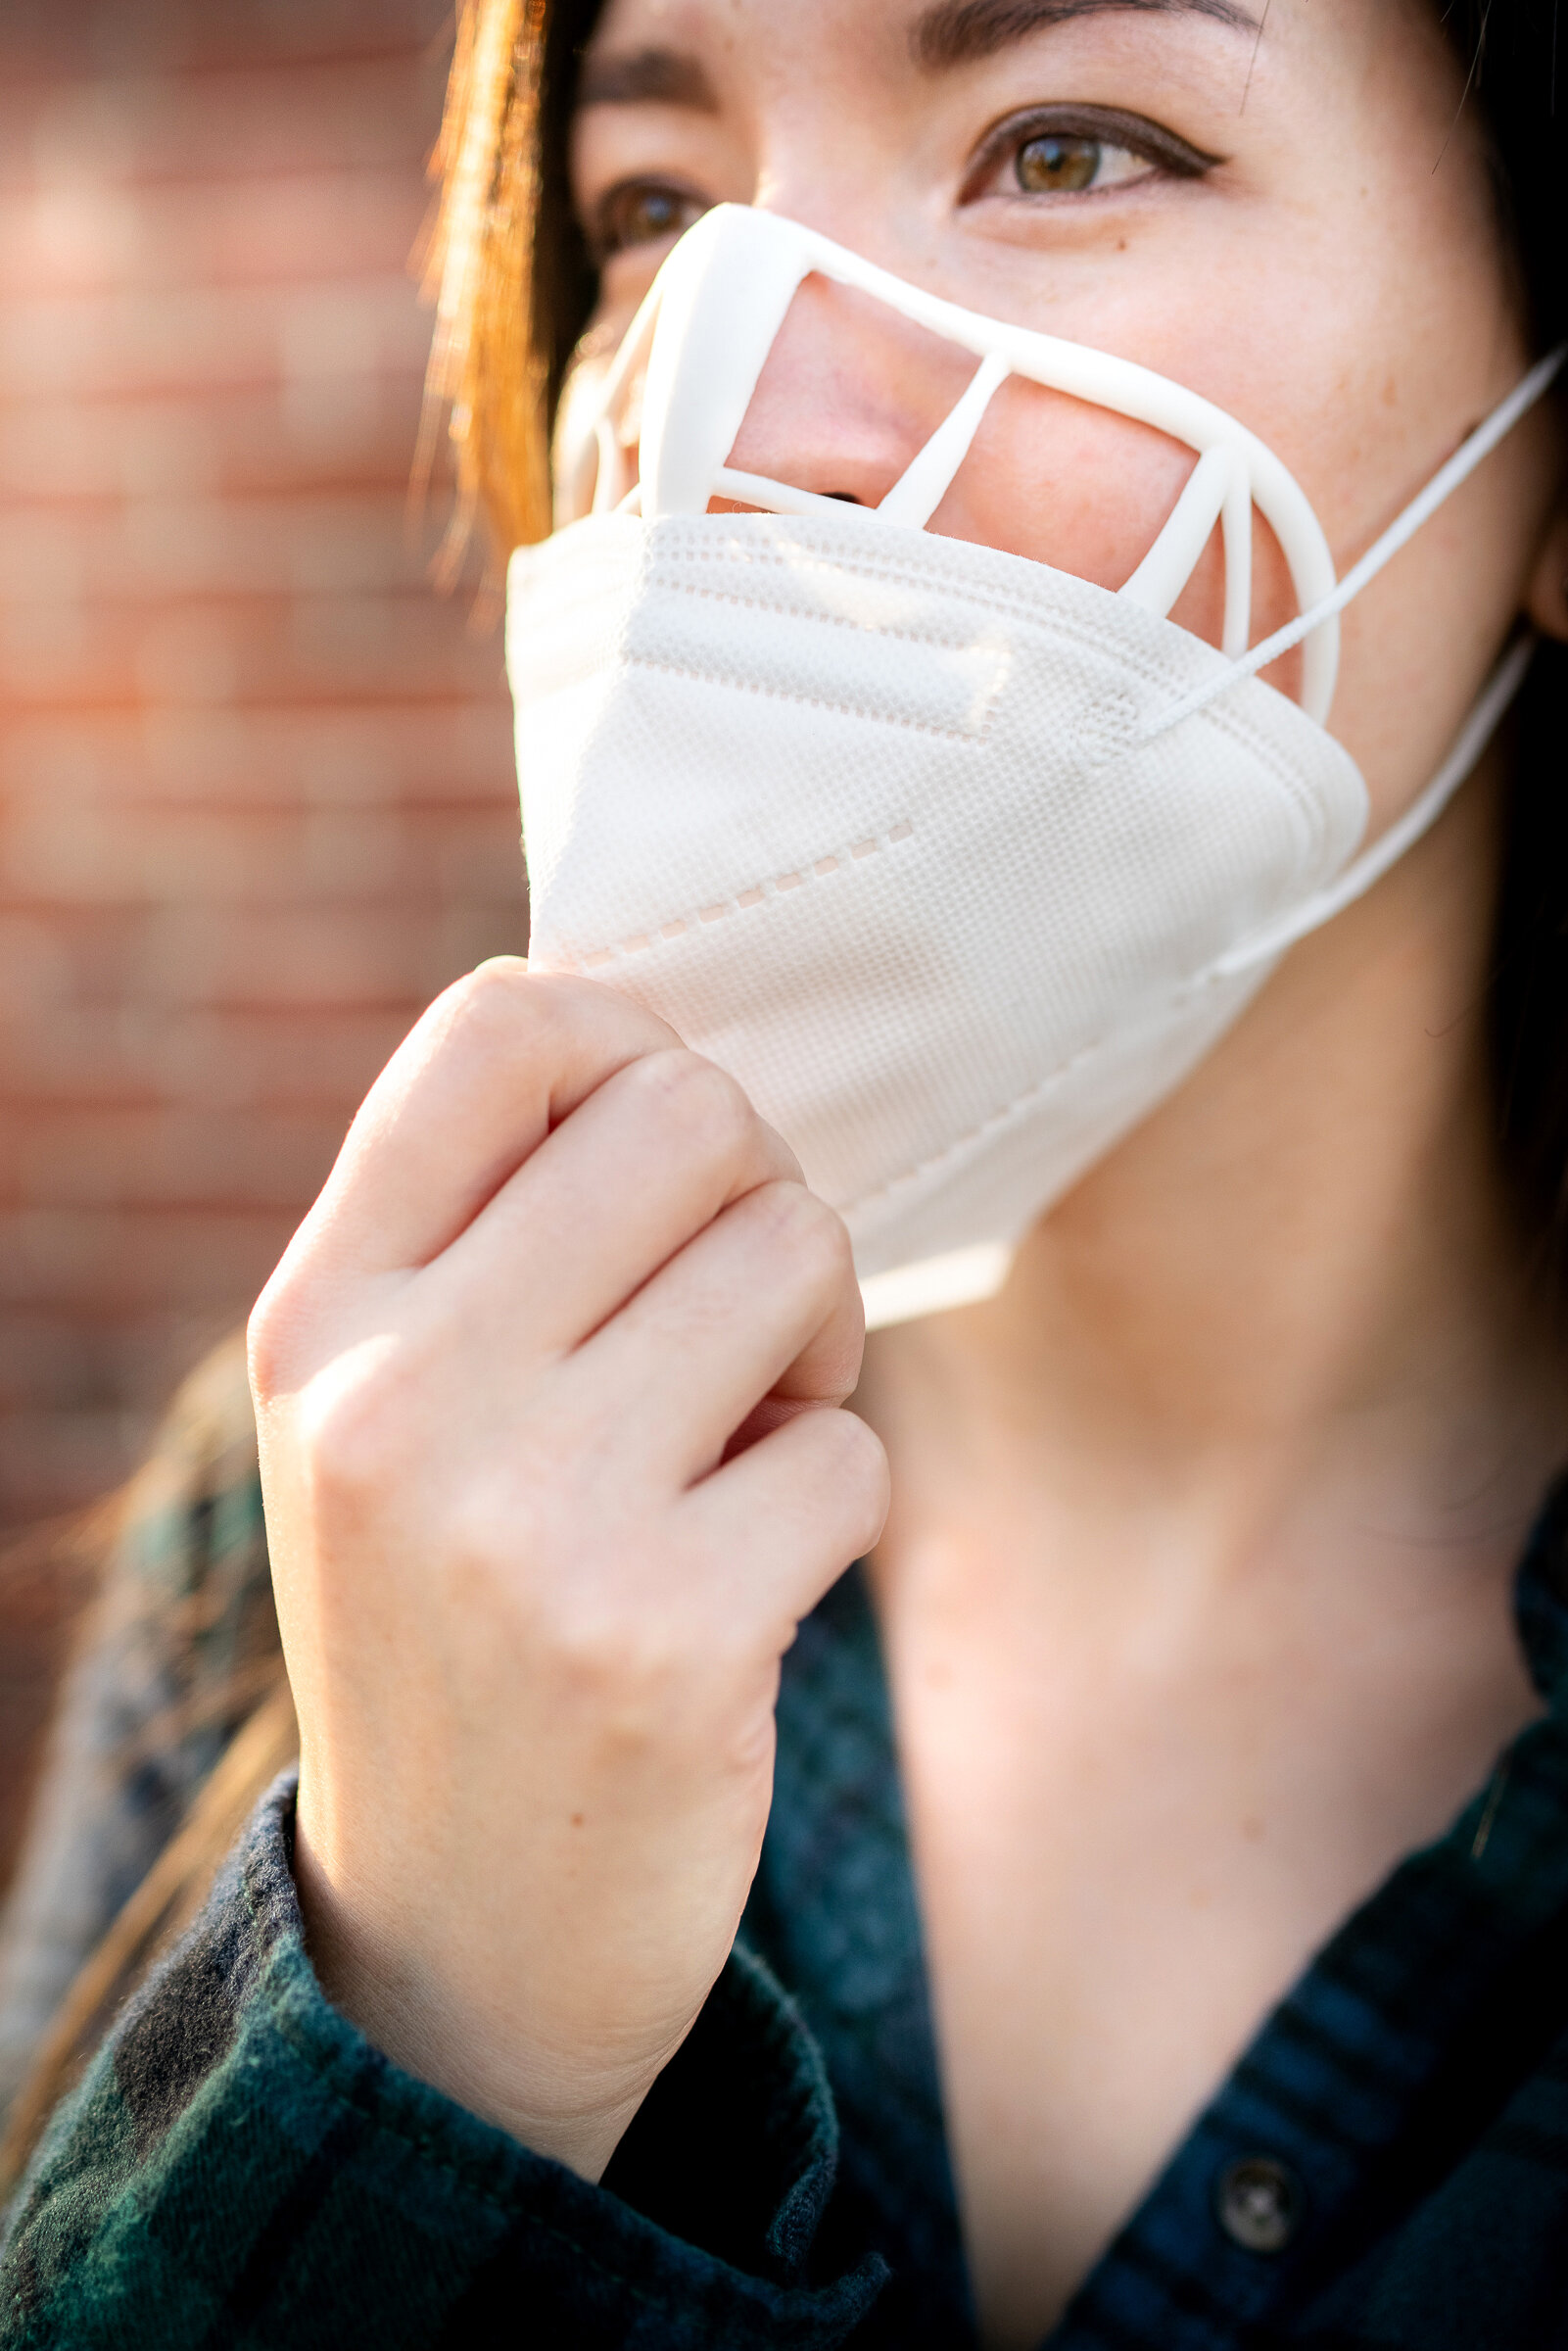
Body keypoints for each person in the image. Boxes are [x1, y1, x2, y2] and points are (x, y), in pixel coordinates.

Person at [3, 0, 1568, 2343]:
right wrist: (429, 2028)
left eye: (1068, 147)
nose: (736, 417)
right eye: (652, 207)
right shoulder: (327, 1535)